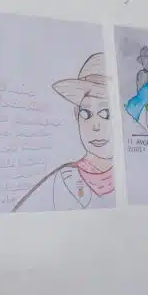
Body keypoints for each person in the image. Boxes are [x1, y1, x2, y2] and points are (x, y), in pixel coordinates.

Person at [12, 53, 114, 212]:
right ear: (76, 115)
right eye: (86, 114)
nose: (95, 126)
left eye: (105, 113)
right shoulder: (63, 179)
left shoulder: (134, 176)